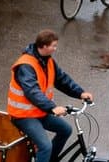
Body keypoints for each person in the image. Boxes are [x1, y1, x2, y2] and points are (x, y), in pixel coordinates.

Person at [8, 30, 93, 162]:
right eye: (53, 46)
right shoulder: (26, 65)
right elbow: (32, 92)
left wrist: (80, 93)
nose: (55, 48)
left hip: (40, 112)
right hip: (24, 116)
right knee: (45, 146)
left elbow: (62, 80)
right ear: (44, 46)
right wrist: (52, 108)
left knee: (65, 130)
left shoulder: (48, 61)